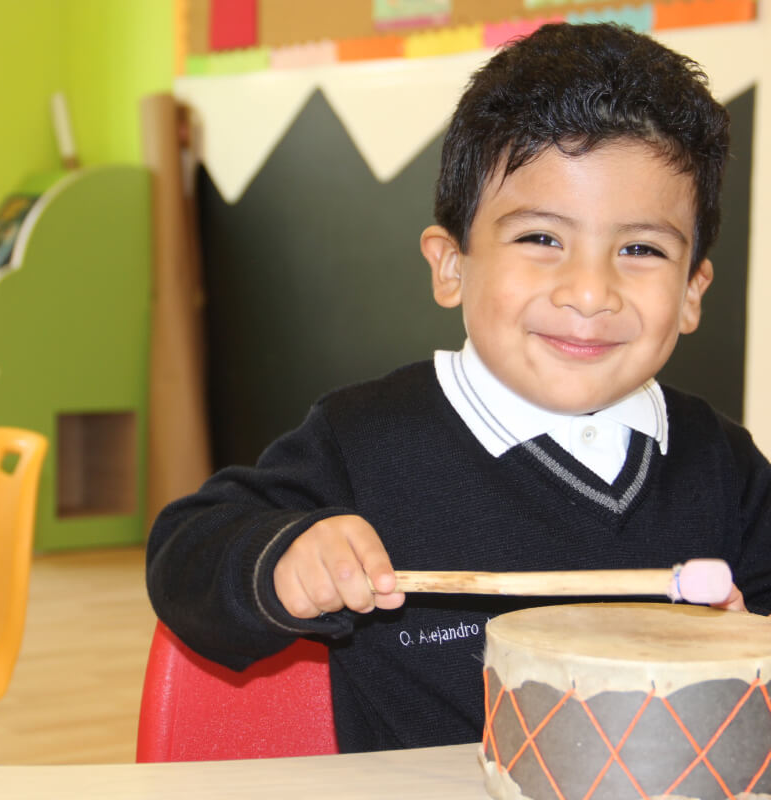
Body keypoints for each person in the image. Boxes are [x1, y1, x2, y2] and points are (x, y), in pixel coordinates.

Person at [146, 22, 771, 754]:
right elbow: (184, 551)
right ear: (451, 267)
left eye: (641, 249)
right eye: (541, 238)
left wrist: (747, 643)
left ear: (693, 291)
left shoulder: (720, 463)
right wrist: (286, 555)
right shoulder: (365, 439)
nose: (589, 291)